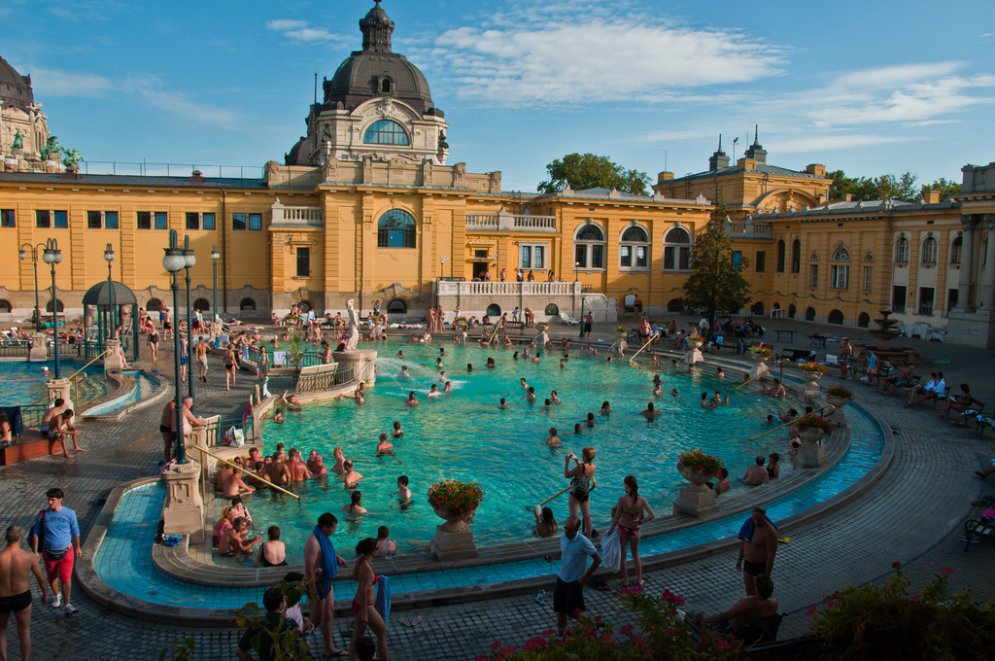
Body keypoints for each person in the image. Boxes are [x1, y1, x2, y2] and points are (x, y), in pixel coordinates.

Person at [30, 487, 82, 616]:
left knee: (66, 579)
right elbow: (36, 532)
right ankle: (56, 595)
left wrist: (78, 547)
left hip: (66, 552)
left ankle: (67, 604)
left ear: (60, 499)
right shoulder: (42, 515)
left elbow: (75, 531)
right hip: (48, 553)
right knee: (51, 577)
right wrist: (35, 550)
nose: (49, 502)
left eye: (52, 500)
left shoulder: (70, 513)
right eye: (48, 499)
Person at [304, 513, 349, 658]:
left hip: (326, 581)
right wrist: (314, 593)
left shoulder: (322, 537)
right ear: (325, 527)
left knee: (329, 614)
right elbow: (308, 570)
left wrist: (336, 557)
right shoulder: (313, 542)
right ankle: (295, 641)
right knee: (315, 620)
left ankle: (329, 648)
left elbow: (324, 554)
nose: (334, 531)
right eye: (333, 528)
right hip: (317, 584)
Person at [0, 525, 47, 661]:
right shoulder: (28, 556)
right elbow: (41, 579)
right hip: (21, 596)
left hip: (1, 598)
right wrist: (44, 594)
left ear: (6, 537)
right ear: (21, 537)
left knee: (1, 629)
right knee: (24, 630)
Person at [549, 516, 602, 632]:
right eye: (565, 528)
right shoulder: (563, 537)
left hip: (574, 581)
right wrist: (553, 557)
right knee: (560, 609)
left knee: (574, 612)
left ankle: (591, 625)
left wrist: (586, 576)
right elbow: (562, 553)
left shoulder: (583, 542)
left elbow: (598, 559)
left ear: (576, 530)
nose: (566, 531)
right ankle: (561, 634)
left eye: (570, 529)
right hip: (561, 578)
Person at [607, 476, 656, 587]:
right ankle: (639, 580)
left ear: (627, 486)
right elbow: (652, 515)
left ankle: (626, 581)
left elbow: (616, 518)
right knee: (636, 555)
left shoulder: (622, 500)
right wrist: (640, 522)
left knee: (623, 557)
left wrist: (610, 529)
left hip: (623, 529)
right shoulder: (641, 500)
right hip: (635, 530)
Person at [348, 537, 390, 660]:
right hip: (366, 606)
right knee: (382, 633)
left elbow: (355, 577)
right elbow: (364, 592)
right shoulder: (367, 569)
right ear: (372, 551)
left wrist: (372, 579)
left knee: (357, 636)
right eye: (377, 548)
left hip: (357, 603)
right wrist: (365, 614)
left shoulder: (360, 561)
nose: (378, 549)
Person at [704, 575, 779, 640]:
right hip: (756, 631)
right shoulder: (774, 602)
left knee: (710, 624)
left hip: (732, 630)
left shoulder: (750, 603)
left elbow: (727, 615)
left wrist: (706, 620)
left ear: (757, 589)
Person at [235, 586, 300, 661]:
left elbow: (239, 651)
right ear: (280, 605)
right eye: (284, 600)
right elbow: (302, 649)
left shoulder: (257, 625)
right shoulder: (289, 623)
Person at [736, 506, 778, 596]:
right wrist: (739, 559)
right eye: (754, 519)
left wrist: (766, 577)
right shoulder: (749, 525)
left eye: (759, 519)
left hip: (760, 566)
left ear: (764, 517)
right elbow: (744, 542)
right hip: (748, 564)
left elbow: (771, 556)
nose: (756, 522)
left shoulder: (769, 531)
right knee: (749, 592)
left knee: (759, 594)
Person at [565, 447, 597, 538]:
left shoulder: (580, 466)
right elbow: (583, 470)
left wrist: (567, 462)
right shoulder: (594, 466)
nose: (581, 456)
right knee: (587, 517)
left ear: (585, 456)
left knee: (574, 517)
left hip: (575, 494)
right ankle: (589, 539)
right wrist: (576, 460)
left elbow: (567, 475)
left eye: (582, 454)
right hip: (585, 493)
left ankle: (574, 538)